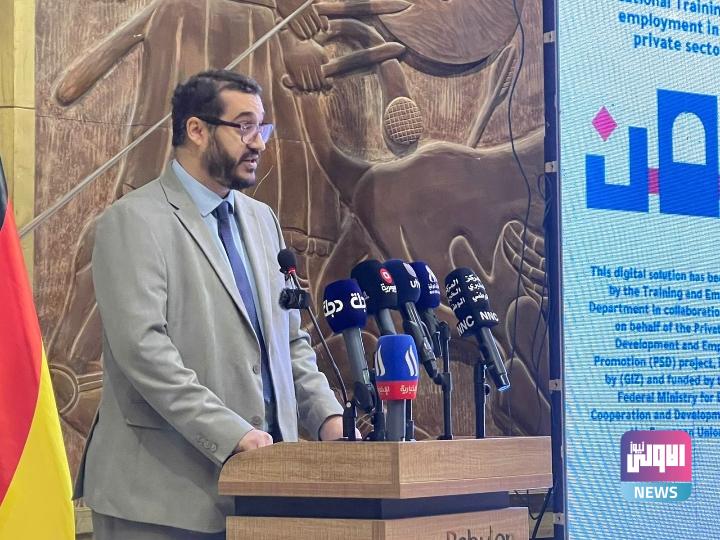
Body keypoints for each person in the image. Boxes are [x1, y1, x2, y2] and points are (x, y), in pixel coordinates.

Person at [74, 70, 346, 539]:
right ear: (196, 130)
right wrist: (232, 434)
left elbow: (289, 341)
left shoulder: (262, 220)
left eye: (262, 127)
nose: (258, 142)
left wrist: (327, 417)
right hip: (161, 502)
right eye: (244, 127)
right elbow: (144, 351)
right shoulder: (133, 221)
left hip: (265, 493)